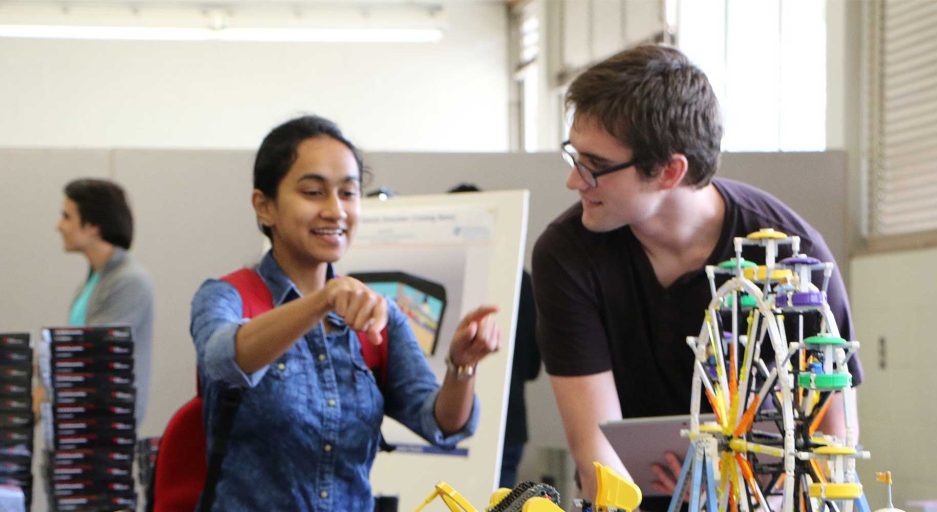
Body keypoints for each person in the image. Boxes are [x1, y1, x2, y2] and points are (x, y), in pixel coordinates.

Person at [530, 44, 864, 509]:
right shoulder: (567, 255)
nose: (575, 181)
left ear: (670, 171)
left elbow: (832, 436)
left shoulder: (794, 260)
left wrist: (741, 492)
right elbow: (594, 453)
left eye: (596, 167)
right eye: (575, 158)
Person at [189, 115, 501, 510]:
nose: (335, 210)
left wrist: (461, 366)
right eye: (313, 192)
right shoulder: (227, 296)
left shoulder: (378, 314)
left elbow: (441, 424)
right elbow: (223, 362)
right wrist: (321, 300)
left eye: (348, 193)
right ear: (264, 207)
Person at [448, 183, 543, 488]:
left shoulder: (447, 278)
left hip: (452, 417)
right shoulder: (522, 280)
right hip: (507, 422)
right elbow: (531, 367)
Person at [57, 178, 154, 424]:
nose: (59, 226)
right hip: (82, 419)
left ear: (93, 226)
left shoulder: (129, 281)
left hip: (106, 425)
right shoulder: (91, 282)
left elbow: (95, 355)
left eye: (67, 217)